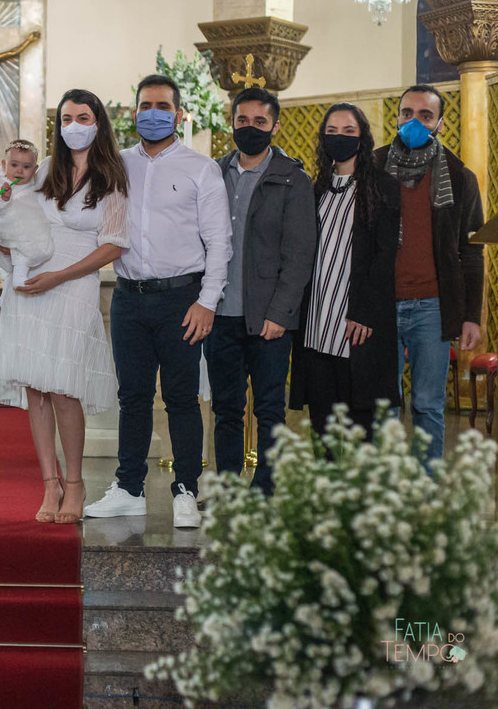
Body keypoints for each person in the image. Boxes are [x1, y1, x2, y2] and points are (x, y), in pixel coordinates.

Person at [84, 75, 231, 529]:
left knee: (183, 399)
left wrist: (207, 302)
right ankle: (129, 488)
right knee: (132, 397)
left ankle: (186, 489)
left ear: (178, 114)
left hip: (182, 299)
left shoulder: (200, 168)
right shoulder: (115, 166)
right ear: (133, 113)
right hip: (129, 298)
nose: (153, 113)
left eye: (162, 106)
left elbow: (219, 243)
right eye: (145, 105)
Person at [0, 90, 128, 524]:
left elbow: (113, 246)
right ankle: (48, 484)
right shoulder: (45, 168)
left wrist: (61, 276)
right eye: (66, 117)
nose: (73, 124)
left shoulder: (113, 175)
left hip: (74, 283)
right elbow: (16, 215)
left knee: (64, 388)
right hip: (31, 282)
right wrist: (5, 243)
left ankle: (75, 483)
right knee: (36, 385)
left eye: (82, 116)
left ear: (98, 122)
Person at [206, 87, 316, 495]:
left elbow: (300, 254)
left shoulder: (293, 179)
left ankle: (266, 487)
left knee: (269, 408)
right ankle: (228, 486)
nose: (249, 128)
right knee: (226, 408)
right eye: (242, 121)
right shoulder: (213, 174)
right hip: (218, 315)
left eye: (259, 122)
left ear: (275, 125)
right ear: (231, 122)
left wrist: (281, 312)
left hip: (268, 318)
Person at [376, 84, 483, 463]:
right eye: (408, 113)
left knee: (428, 406)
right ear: (397, 117)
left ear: (440, 123)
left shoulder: (459, 176)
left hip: (433, 307)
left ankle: (425, 496)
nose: (415, 122)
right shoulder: (373, 168)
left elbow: (471, 252)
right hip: (381, 305)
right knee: (383, 407)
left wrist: (471, 316)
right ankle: (384, 498)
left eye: (425, 116)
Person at [290, 103, 400, 435]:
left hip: (355, 325)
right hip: (316, 323)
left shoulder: (382, 187)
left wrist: (365, 312)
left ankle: (359, 487)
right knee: (322, 427)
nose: (340, 138)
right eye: (332, 132)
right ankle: (325, 486)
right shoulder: (316, 189)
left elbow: (385, 257)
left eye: (349, 131)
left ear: (362, 138)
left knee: (359, 427)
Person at [0, 139, 54, 289]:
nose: (19, 171)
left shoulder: (33, 184)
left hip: (28, 229)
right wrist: (3, 198)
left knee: (28, 247)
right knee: (19, 254)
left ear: (35, 169)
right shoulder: (0, 183)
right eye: (14, 165)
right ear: (4, 165)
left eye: (26, 167)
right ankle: (18, 279)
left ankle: (21, 276)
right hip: (8, 229)